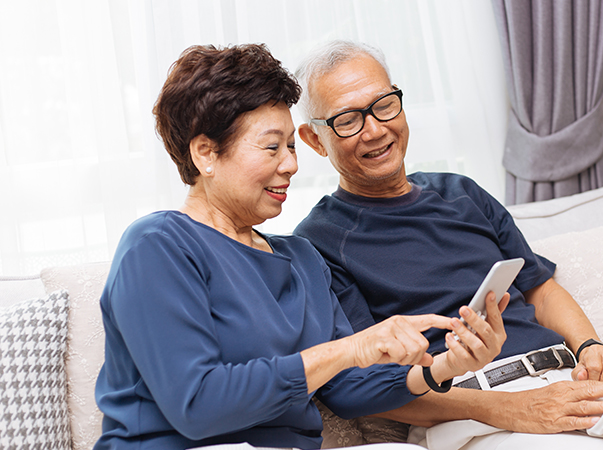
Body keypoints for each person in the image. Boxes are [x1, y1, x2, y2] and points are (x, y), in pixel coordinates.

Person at [293, 40, 603, 450]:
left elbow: (539, 287)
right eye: (348, 120)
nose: (375, 130)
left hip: (564, 378)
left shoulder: (461, 192)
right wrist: (507, 409)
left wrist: (591, 344)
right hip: (472, 415)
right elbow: (363, 387)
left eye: (384, 105)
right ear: (315, 139)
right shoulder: (318, 243)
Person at [93, 43, 509, 450]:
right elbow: (199, 404)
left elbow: (350, 387)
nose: (291, 163)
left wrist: (445, 366)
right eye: (272, 146)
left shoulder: (302, 260)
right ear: (206, 154)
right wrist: (349, 349)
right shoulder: (158, 246)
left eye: (291, 145)